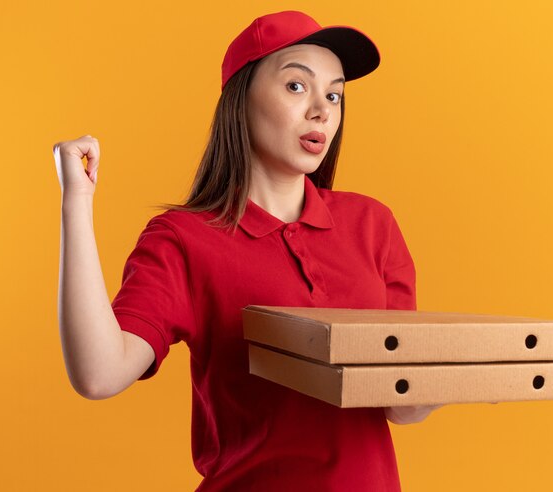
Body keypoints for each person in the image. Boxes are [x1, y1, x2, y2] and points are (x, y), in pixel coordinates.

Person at [53, 10, 442, 491]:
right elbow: (98, 374)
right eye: (297, 86)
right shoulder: (184, 238)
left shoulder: (372, 224)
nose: (322, 110)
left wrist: (458, 376)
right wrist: (77, 202)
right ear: (240, 98)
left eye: (334, 94)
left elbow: (399, 405)